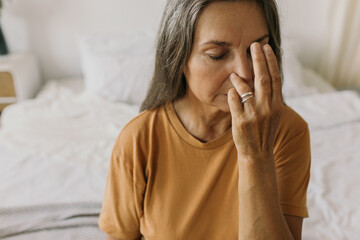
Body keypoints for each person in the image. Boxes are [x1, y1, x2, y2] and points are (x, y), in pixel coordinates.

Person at [98, 0, 311, 239]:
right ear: (178, 58)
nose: (245, 72)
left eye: (256, 51)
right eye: (217, 55)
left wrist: (256, 156)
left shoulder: (288, 131)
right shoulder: (139, 139)